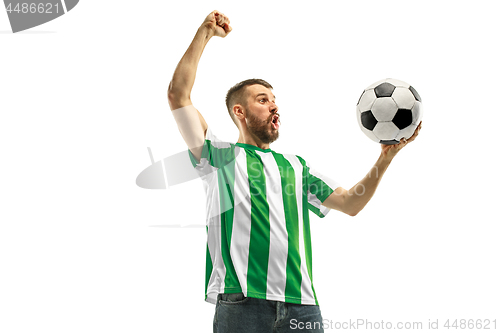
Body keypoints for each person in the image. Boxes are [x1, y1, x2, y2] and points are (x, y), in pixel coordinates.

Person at [167, 10, 422, 333]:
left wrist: (386, 156)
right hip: (241, 304)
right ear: (239, 112)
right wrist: (205, 33)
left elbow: (351, 204)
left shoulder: (297, 166)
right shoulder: (218, 156)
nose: (274, 106)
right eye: (263, 100)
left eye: (275, 100)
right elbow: (178, 94)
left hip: (302, 306)